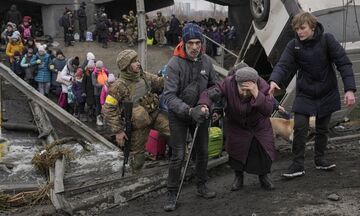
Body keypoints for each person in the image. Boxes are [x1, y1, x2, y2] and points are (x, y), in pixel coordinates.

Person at [268, 12, 357, 178]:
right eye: (296, 29)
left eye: (302, 28)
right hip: (305, 93)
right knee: (300, 126)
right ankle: (297, 164)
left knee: (322, 129)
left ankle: (320, 159)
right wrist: (274, 80)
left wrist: (349, 89)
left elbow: (343, 63)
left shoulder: (327, 40)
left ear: (312, 27)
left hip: (327, 91)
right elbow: (283, 64)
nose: (299, 32)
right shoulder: (294, 45)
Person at [163, 23, 219, 212]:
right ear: (184, 43)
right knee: (178, 155)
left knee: (202, 151)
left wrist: (209, 105)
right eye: (191, 43)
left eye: (198, 43)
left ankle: (201, 185)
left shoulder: (206, 62)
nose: (195, 47)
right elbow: (168, 97)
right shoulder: (173, 64)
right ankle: (172, 192)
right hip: (179, 115)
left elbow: (215, 86)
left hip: (201, 113)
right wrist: (188, 111)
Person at [201, 67, 276, 192]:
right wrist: (204, 104)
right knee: (236, 150)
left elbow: (268, 109)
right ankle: (238, 176)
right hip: (236, 124)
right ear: (237, 84)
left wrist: (257, 93)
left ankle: (264, 177)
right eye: (243, 90)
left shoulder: (262, 84)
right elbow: (211, 93)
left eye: (248, 91)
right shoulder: (228, 83)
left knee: (263, 150)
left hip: (258, 125)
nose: (245, 94)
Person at [102, 49, 169, 173]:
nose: (138, 63)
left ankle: (183, 161)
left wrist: (171, 76)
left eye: (137, 60)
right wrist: (118, 131)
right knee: (138, 158)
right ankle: (135, 178)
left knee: (175, 132)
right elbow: (108, 109)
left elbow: (160, 83)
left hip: (154, 114)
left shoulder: (144, 76)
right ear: (126, 66)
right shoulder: (118, 86)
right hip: (138, 124)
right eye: (134, 62)